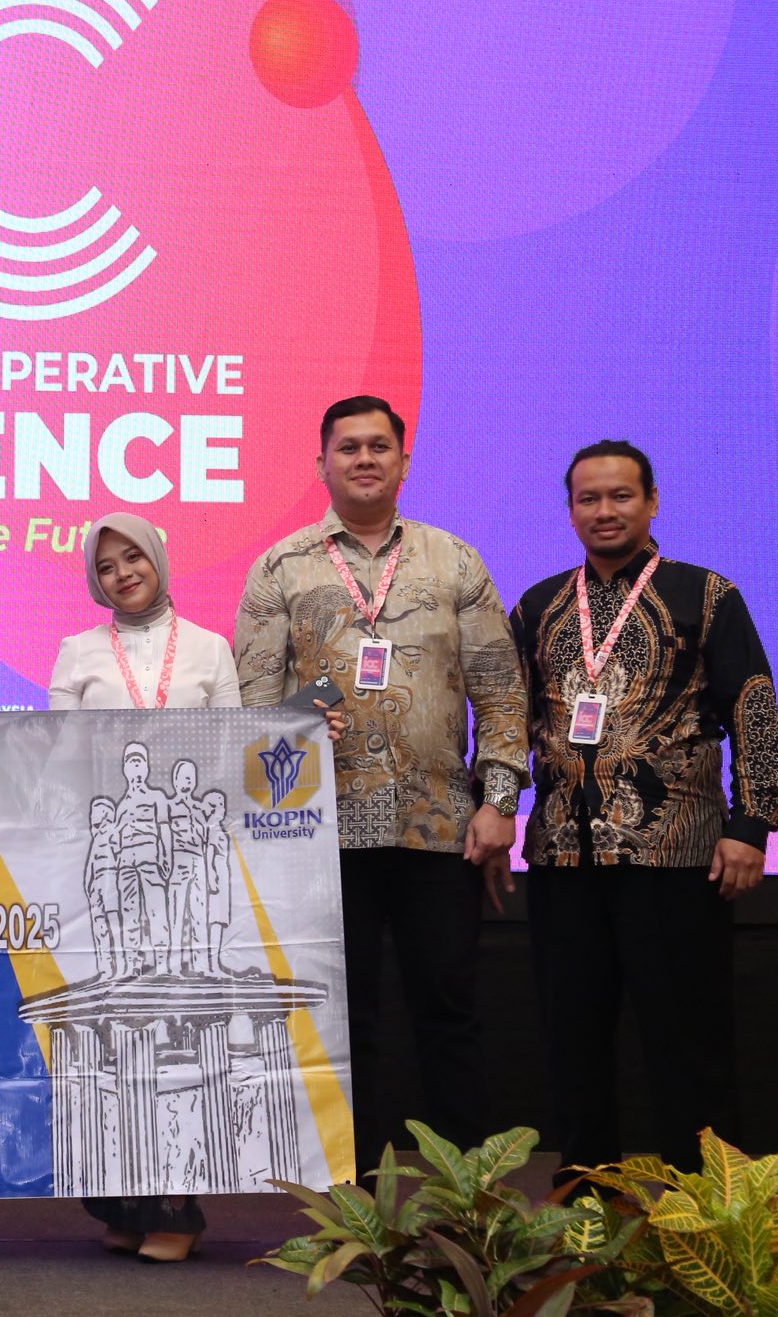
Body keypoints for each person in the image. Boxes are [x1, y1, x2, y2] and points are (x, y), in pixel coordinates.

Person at [233, 395, 527, 1173]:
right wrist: (294, 723)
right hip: (323, 834)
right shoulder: (281, 567)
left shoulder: (454, 560)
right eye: (349, 447)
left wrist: (500, 803)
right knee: (341, 1020)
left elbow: (501, 691)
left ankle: (470, 1191)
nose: (364, 459)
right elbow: (251, 710)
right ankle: (350, 1189)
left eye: (378, 447)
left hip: (442, 828)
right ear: (321, 463)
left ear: (403, 460)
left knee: (449, 1012)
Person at [510, 439, 778, 1181]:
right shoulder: (539, 605)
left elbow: (753, 707)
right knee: (572, 1035)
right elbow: (509, 720)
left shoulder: (707, 595)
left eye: (621, 496)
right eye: (588, 499)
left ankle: (706, 1196)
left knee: (687, 1036)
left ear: (652, 502)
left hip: (676, 854)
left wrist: (752, 825)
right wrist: (496, 806)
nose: (605, 511)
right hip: (563, 854)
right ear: (570, 511)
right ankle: (585, 1188)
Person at [46, 512, 241, 1262]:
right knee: (118, 1026)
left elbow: (232, 752)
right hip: (111, 866)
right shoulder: (77, 651)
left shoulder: (210, 648)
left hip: (182, 870)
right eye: (106, 566)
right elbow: (57, 757)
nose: (122, 573)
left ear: (158, 557)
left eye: (133, 557)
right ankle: (122, 1204)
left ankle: (177, 1209)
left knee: (175, 1024)